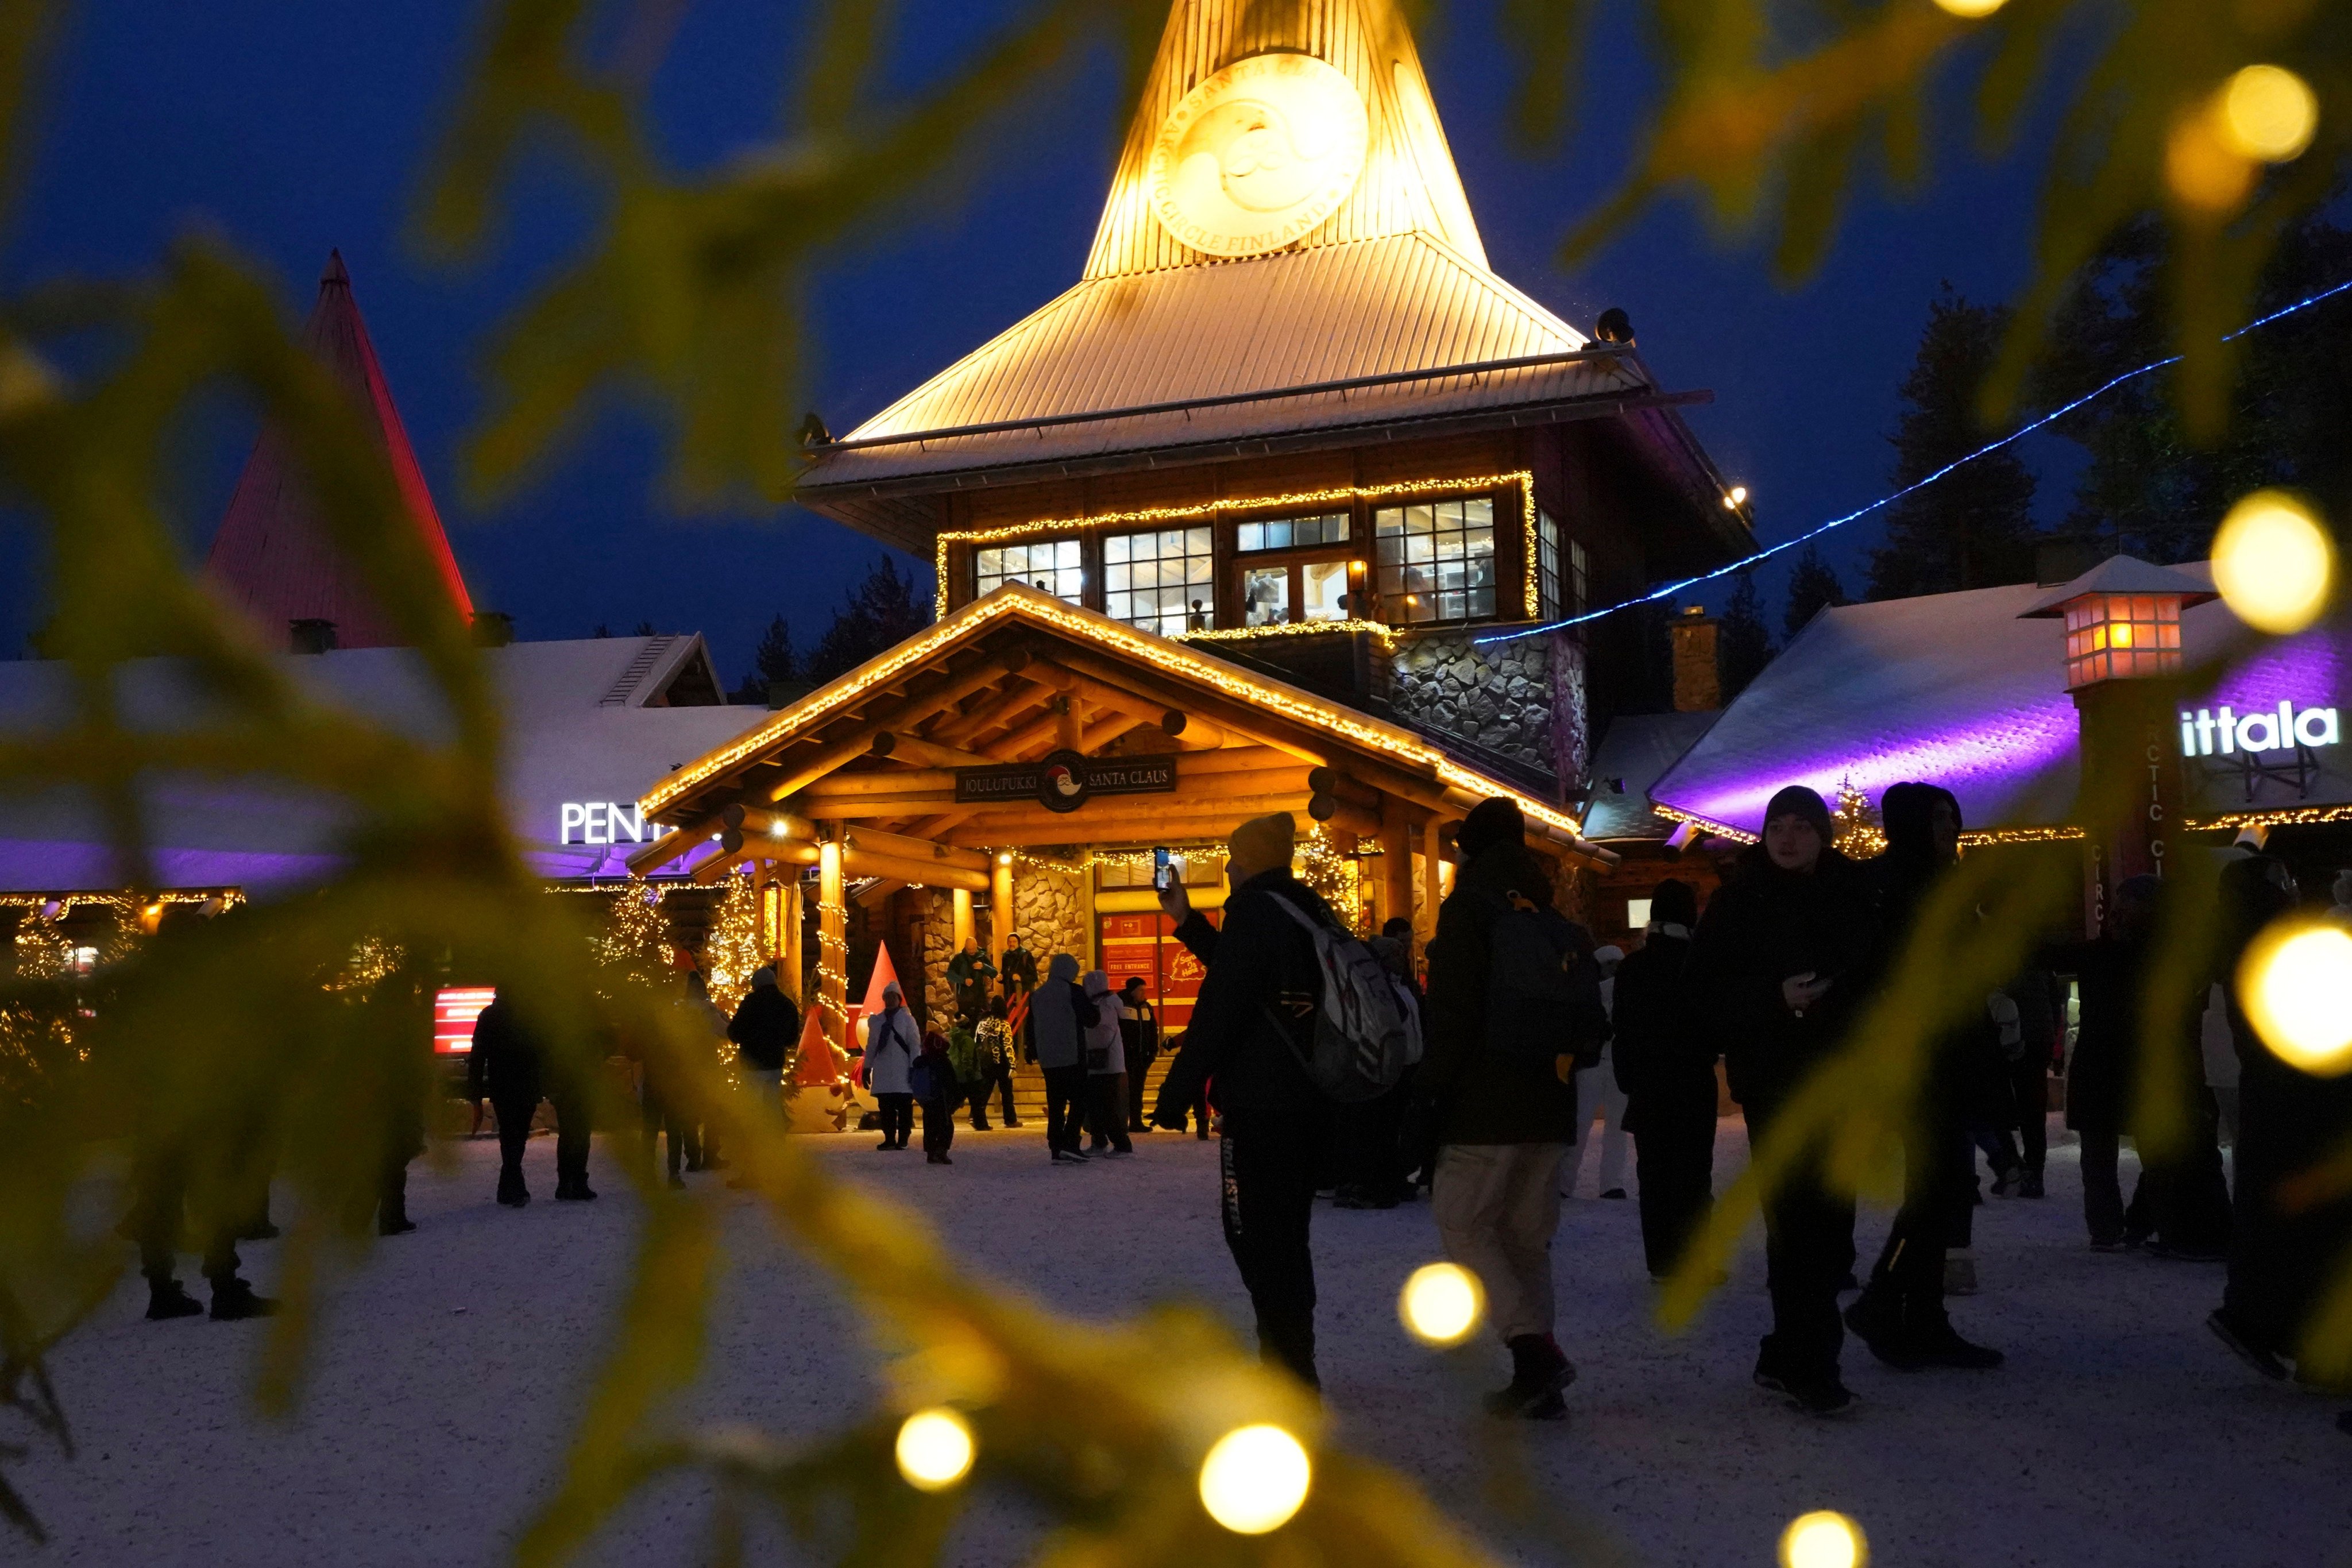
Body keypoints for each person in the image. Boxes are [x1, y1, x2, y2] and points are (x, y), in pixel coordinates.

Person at [1420, 796, 1608, 1420]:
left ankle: (1534, 1356)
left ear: (1468, 850)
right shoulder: (1544, 910)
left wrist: (1430, 1095)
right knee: (1527, 1239)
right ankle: (1541, 1378)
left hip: (1486, 1102)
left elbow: (1452, 1015)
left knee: (1465, 1223)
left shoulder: (1468, 910)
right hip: (1550, 1101)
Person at [1687, 785, 1872, 1415]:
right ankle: (1812, 1363)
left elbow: (1881, 977)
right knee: (1797, 1220)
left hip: (1843, 1076)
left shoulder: (1854, 895)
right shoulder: (1739, 903)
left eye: (1801, 826)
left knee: (1830, 1221)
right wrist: (1775, 1000)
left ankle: (1785, 1352)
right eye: (1777, 827)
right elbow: (1701, 998)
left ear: (1822, 833)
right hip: (1773, 1079)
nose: (1788, 837)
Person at [1153, 812, 1339, 1390]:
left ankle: (1286, 1367)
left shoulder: (1255, 913)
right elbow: (1247, 978)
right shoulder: (1307, 910)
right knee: (1287, 1231)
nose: (1229, 867)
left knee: (1252, 1232)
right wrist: (1186, 921)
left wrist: (1176, 1090)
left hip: (1259, 1106)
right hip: (1310, 1099)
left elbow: (1223, 1007)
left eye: (1234, 857)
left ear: (1252, 859)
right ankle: (1291, 1357)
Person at [1841, 783, 2004, 1372]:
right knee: (1942, 1188)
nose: (1948, 828)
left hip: (1944, 1052)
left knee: (1939, 1189)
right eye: (1937, 818)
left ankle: (1917, 1318)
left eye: (1952, 817)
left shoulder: (1930, 880)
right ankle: (1890, 1301)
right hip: (1920, 1057)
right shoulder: (1901, 885)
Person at [2210, 854, 2352, 1389]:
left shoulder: (2244, 943)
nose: (2294, 889)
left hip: (2274, 1100)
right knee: (2308, 1226)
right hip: (2301, 1104)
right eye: (2284, 881)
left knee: (2276, 1217)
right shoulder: (2276, 944)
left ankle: (2268, 1322)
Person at [1612, 878, 1715, 1280]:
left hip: (1647, 1083)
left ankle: (1661, 1258)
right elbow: (1711, 1025)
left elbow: (1622, 1026)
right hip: (1691, 1080)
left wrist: (1629, 1078)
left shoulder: (1632, 966)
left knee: (1653, 1173)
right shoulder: (1698, 962)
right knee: (1692, 1173)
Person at [1333, 931, 1421, 1209]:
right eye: (1394, 954)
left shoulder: (1403, 985)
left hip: (1408, 1064)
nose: (1401, 958)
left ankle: (1391, 1180)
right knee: (1380, 1129)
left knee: (1395, 1127)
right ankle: (1376, 1183)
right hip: (1387, 1066)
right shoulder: (1381, 988)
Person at [1566, 944, 1632, 1199]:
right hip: (1600, 1062)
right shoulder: (1601, 995)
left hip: (1601, 1063)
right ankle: (1608, 1183)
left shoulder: (1588, 994)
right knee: (1591, 1124)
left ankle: (1569, 1181)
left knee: (1592, 1124)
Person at [472, 991, 546, 1207]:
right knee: (518, 1135)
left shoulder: (489, 1016)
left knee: (509, 1133)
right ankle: (514, 1185)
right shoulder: (530, 1015)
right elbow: (541, 1049)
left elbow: (477, 1056)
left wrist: (475, 1093)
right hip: (525, 1083)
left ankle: (509, 1185)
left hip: (502, 1084)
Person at [1031, 953, 1097, 1163]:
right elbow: (1092, 1019)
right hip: (1072, 1054)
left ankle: (1056, 1146)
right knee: (1080, 1099)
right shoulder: (1074, 992)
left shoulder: (1038, 995)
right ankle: (1070, 1142)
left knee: (1056, 1102)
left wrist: (1033, 1051)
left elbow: (1031, 1027)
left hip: (1048, 1058)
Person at [727, 965, 799, 1118]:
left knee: (753, 1108)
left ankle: (757, 1138)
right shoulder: (786, 1004)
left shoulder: (750, 1003)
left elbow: (735, 1032)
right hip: (774, 1064)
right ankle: (775, 1136)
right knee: (773, 1106)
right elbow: (792, 1036)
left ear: (756, 984)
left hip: (752, 1066)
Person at [863, 981, 920, 1151]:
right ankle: (889, 1138)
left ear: (899, 999)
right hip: (884, 1070)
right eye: (887, 997)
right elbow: (871, 1045)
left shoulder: (907, 1020)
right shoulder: (877, 1021)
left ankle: (903, 1139)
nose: (890, 1000)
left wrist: (913, 1067)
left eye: (893, 997)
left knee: (904, 1109)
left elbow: (914, 1045)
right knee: (886, 1108)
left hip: (903, 1070)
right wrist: (867, 1067)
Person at [1082, 970, 1133, 1155]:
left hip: (1109, 1064)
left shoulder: (1109, 1004)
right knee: (1096, 1105)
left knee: (1107, 1106)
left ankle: (1121, 1143)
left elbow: (1095, 1022)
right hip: (1097, 1062)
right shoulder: (1101, 1003)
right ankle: (1099, 1141)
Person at [967, 997, 1019, 1130]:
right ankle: (1010, 1119)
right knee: (1007, 1093)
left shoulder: (982, 1023)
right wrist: (1013, 1065)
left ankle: (977, 1119)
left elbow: (976, 1042)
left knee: (984, 1092)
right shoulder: (1003, 1023)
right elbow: (1008, 1046)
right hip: (1001, 1062)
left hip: (985, 1062)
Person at [916, 1019, 961, 1165]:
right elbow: (952, 1082)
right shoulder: (943, 1062)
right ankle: (941, 1151)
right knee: (946, 1125)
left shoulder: (921, 1062)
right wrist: (957, 1099)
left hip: (927, 1099)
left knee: (930, 1126)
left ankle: (931, 1152)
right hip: (942, 1099)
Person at [1119, 977, 1159, 1132]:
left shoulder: (1147, 1007)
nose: (1145, 993)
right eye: (1141, 990)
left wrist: (1153, 1052)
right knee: (1124, 1092)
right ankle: (1121, 1123)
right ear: (1133, 991)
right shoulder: (1121, 1006)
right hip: (1126, 1057)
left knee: (1137, 1091)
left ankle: (1136, 1122)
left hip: (1142, 1057)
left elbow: (1153, 1031)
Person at [946, 936, 997, 1023]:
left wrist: (984, 967)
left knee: (980, 1024)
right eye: (969, 949)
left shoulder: (982, 957)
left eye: (973, 949)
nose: (972, 952)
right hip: (964, 999)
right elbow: (950, 975)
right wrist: (963, 980)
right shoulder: (959, 959)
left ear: (976, 946)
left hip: (980, 998)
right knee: (966, 1025)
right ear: (965, 947)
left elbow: (994, 973)